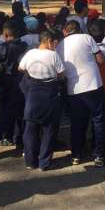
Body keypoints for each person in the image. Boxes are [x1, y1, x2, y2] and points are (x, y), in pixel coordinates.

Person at [56, 20, 105, 166]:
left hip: (73, 89)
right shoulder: (87, 38)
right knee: (98, 120)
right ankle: (99, 155)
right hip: (93, 85)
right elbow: (100, 59)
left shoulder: (60, 45)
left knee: (77, 122)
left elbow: (60, 72)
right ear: (78, 29)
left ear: (66, 31)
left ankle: (76, 155)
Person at [19, 29, 65, 170]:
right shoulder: (53, 55)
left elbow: (20, 68)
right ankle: (44, 162)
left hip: (33, 92)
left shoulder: (30, 53)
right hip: (50, 92)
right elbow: (61, 74)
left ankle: (30, 162)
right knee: (49, 129)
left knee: (31, 129)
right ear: (49, 41)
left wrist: (32, 74)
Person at [0, 22, 29, 151]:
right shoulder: (24, 46)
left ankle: (2, 136)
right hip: (21, 81)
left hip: (5, 82)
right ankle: (20, 139)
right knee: (20, 111)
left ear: (5, 34)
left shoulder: (2, 47)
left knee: (4, 110)